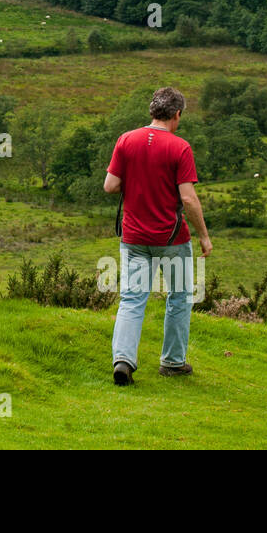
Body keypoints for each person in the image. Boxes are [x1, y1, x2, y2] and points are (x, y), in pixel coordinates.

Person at [103, 87, 212, 386]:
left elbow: (110, 186)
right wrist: (204, 236)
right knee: (178, 297)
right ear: (177, 114)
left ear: (152, 110)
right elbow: (188, 199)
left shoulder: (126, 140)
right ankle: (173, 362)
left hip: (134, 236)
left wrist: (135, 178)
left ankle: (123, 361)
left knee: (132, 300)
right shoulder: (180, 148)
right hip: (171, 239)